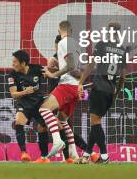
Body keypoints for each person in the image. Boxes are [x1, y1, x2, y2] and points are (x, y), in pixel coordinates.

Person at [77, 22, 127, 164]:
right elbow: (123, 76)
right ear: (119, 32)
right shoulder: (122, 50)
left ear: (108, 32)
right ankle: (87, 155)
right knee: (96, 122)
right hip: (110, 91)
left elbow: (91, 64)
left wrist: (80, 82)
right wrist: (116, 92)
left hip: (99, 88)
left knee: (95, 122)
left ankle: (104, 156)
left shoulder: (102, 45)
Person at [39, 20, 81, 161]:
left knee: (44, 109)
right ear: (71, 30)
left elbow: (70, 66)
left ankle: (57, 141)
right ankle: (73, 152)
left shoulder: (64, 42)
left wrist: (53, 74)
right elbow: (75, 67)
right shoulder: (76, 43)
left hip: (67, 85)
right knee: (62, 120)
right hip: (75, 86)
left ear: (59, 30)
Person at [8, 50, 49, 163]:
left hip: (39, 104)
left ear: (23, 63)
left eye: (15, 61)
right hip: (24, 104)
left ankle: (44, 157)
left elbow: (49, 75)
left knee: (42, 128)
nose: (13, 64)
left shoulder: (37, 68)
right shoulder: (13, 74)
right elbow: (13, 94)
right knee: (18, 122)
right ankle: (24, 153)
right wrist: (25, 92)